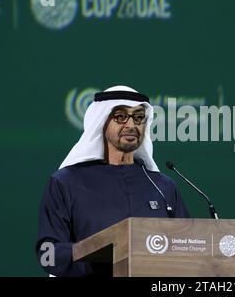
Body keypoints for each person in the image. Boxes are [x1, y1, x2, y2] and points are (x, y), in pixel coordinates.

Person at [35, 85, 190, 276]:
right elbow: (47, 255)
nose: (131, 125)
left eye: (138, 117)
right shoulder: (66, 183)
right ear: (102, 121)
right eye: (121, 117)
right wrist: (94, 251)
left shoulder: (163, 186)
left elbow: (188, 248)